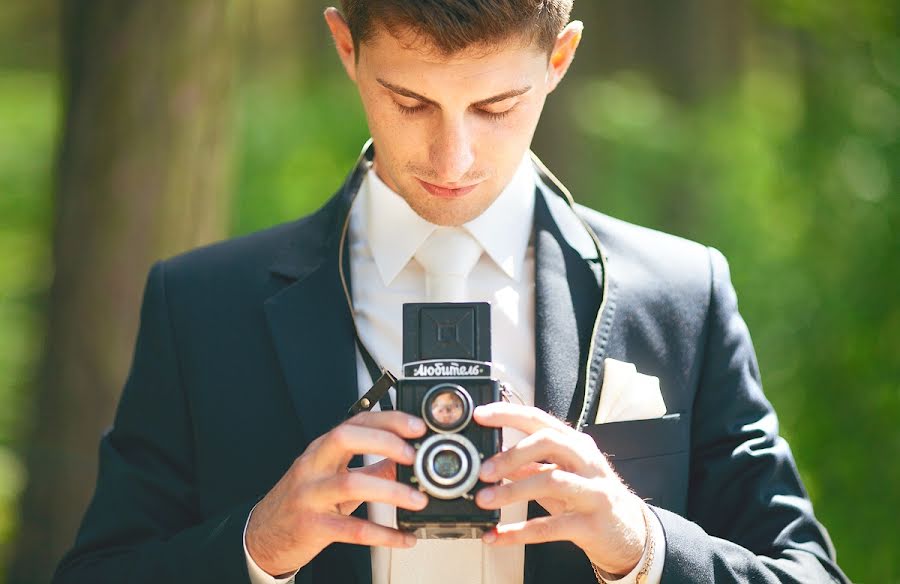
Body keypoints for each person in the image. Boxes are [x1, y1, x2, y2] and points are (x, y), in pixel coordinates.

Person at [53, 1, 849, 583]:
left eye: (497, 106)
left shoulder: (680, 294)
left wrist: (643, 544)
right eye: (411, 102)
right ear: (344, 46)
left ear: (560, 60)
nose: (453, 156)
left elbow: (808, 574)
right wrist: (254, 548)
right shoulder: (200, 306)